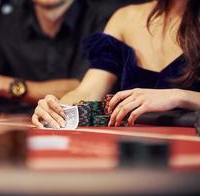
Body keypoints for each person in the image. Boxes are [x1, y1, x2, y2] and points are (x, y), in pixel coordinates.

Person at [0, 0, 143, 112]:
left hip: (87, 131)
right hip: (24, 129)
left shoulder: (106, 14)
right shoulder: (8, 23)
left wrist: (10, 86)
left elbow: (88, 88)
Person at [32, 0, 200, 128]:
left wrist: (180, 97)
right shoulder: (125, 18)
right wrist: (56, 109)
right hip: (132, 149)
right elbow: (89, 90)